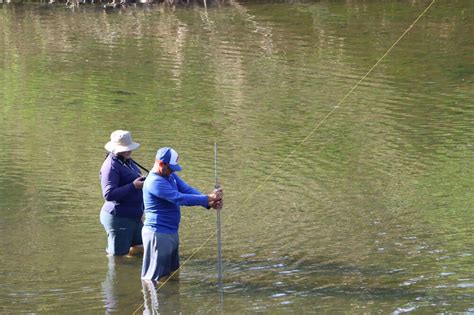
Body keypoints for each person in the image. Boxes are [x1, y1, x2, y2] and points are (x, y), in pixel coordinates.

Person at [141, 147, 223, 282]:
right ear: (161, 164)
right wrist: (208, 197)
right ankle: (155, 301)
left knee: (171, 273)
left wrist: (209, 202)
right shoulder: (155, 182)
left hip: (171, 232)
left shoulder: (169, 175)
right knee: (155, 278)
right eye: (171, 168)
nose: (173, 171)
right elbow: (179, 198)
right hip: (158, 234)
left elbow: (187, 189)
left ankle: (171, 300)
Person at [99, 130, 146, 256]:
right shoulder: (110, 166)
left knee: (144, 245)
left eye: (129, 147)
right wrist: (133, 186)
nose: (129, 150)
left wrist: (141, 211)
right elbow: (108, 194)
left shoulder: (126, 160)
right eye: (125, 148)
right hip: (119, 218)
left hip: (134, 217)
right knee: (118, 258)